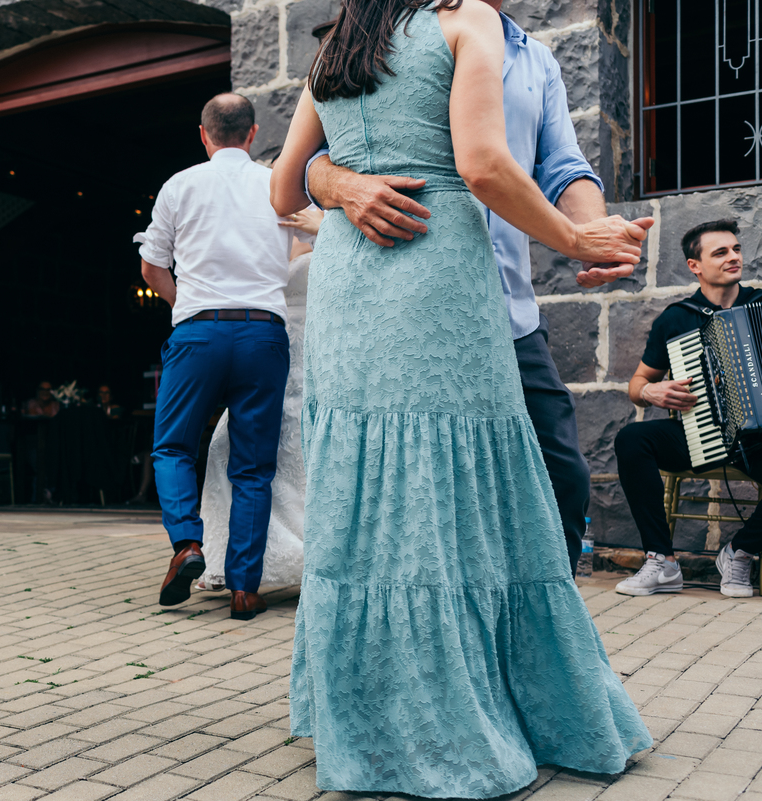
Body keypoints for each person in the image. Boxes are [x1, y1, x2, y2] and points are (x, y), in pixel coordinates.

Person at [269, 0, 652, 795]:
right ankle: (464, 711)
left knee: (374, 491)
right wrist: (576, 241)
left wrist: (588, 226)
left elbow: (280, 190)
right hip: (437, 271)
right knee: (458, 492)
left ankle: (367, 710)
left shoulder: (342, 39)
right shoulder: (465, 18)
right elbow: (480, 165)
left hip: (356, 287)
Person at [303, 2, 649, 577]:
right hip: (407, 301)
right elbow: (312, 159)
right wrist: (342, 184)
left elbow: (562, 162)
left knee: (561, 475)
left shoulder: (536, 58)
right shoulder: (367, 37)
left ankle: (535, 630)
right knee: (421, 480)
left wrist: (592, 234)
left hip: (508, 308)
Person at [136, 92, 309, 620]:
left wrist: (183, 304)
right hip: (263, 334)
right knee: (253, 466)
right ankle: (244, 588)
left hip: (198, 332)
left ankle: (187, 544)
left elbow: (151, 268)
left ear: (204, 134)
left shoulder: (179, 185)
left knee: (172, 447)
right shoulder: (277, 186)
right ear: (253, 134)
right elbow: (301, 247)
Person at [615, 220, 759, 598]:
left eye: (736, 249)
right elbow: (636, 384)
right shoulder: (676, 318)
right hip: (700, 432)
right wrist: (652, 392)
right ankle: (662, 561)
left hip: (757, 437)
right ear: (695, 265)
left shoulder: (759, 305)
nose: (733, 257)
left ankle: (739, 552)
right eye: (720, 252)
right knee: (632, 438)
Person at [198, 208, 323, 591]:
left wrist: (324, 229)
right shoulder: (268, 231)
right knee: (225, 447)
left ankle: (315, 559)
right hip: (269, 356)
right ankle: (223, 560)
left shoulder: (333, 218)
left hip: (320, 354)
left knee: (303, 458)